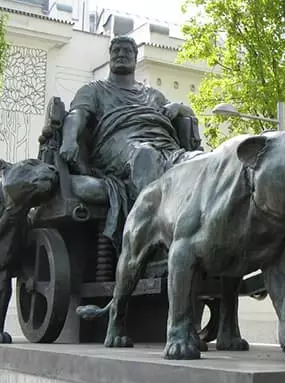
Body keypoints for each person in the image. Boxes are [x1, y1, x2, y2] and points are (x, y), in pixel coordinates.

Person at [59, 35, 200, 252]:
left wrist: (179, 108)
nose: (121, 55)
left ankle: (199, 235)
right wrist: (69, 140)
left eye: (127, 51)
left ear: (135, 58)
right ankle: (148, 245)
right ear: (110, 57)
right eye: (116, 51)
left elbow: (186, 112)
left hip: (165, 145)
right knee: (145, 157)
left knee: (197, 162)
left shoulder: (153, 94)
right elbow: (77, 114)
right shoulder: (94, 90)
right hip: (119, 147)